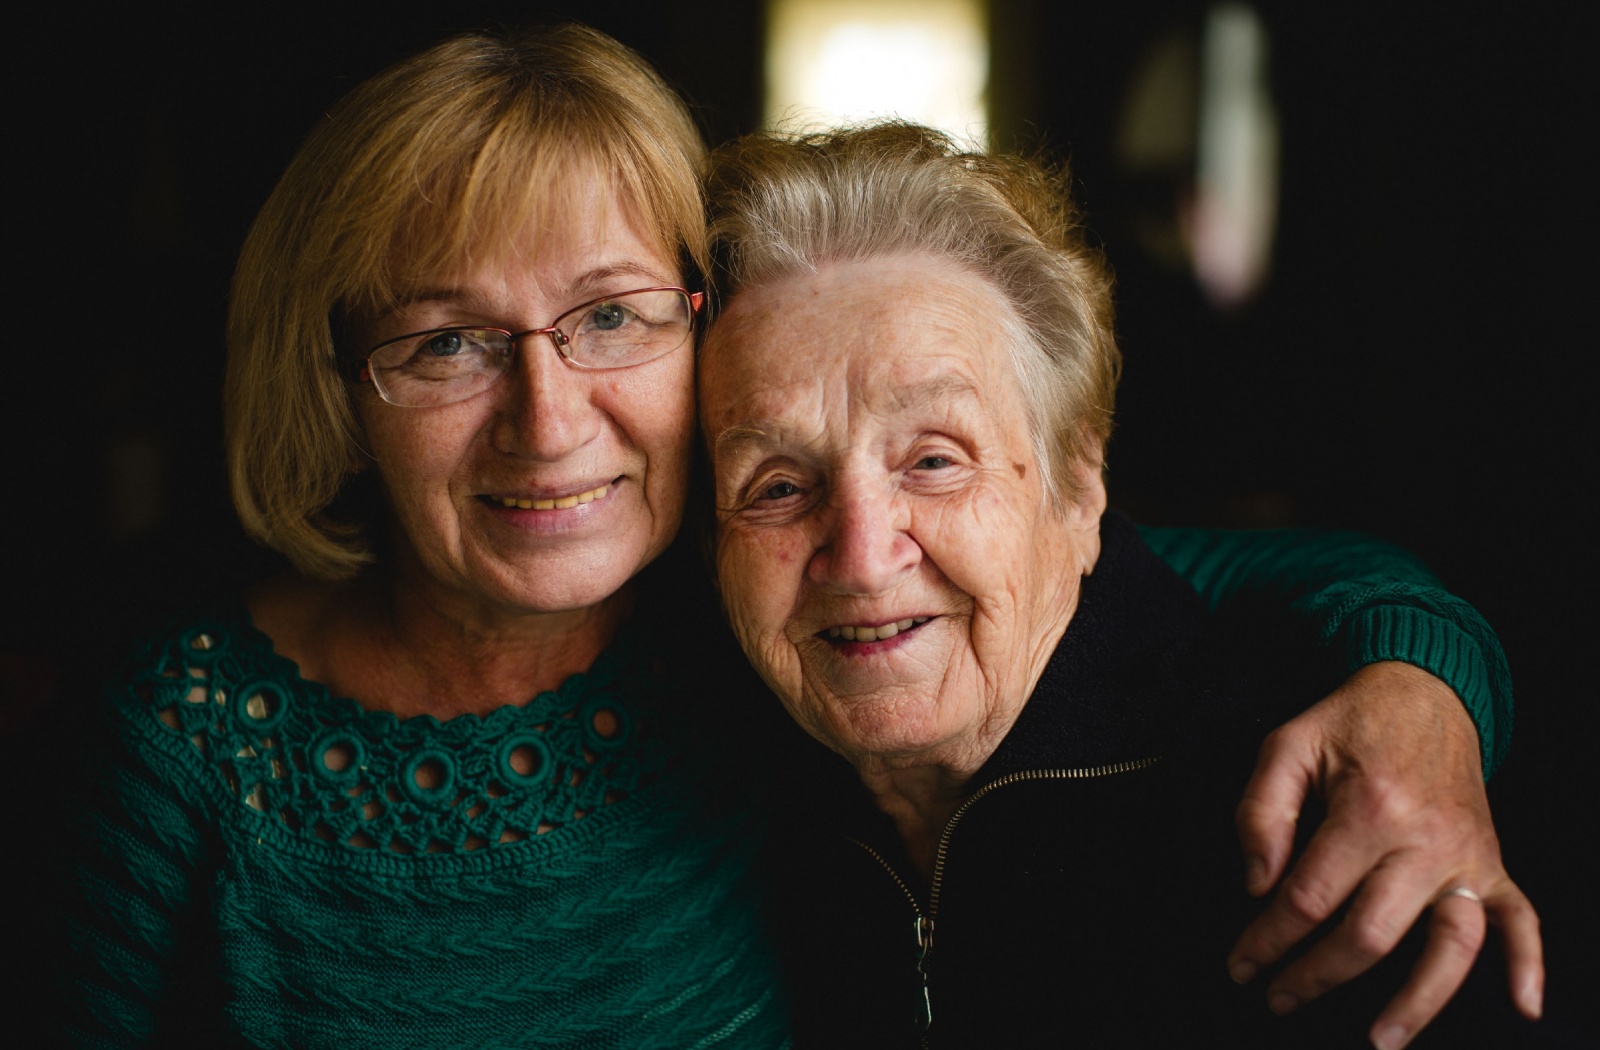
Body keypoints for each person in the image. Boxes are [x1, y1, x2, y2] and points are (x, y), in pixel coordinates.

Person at [57, 25, 1532, 1048]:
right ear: (338, 378)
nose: (547, 419)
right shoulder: (186, 744)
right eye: (444, 343)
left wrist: (1424, 683)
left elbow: (1239, 574)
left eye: (610, 315)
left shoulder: (741, 633)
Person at [698, 122, 1542, 1048]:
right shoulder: (706, 775)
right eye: (776, 487)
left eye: (935, 461)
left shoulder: (1323, 824)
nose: (861, 557)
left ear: (1078, 486)